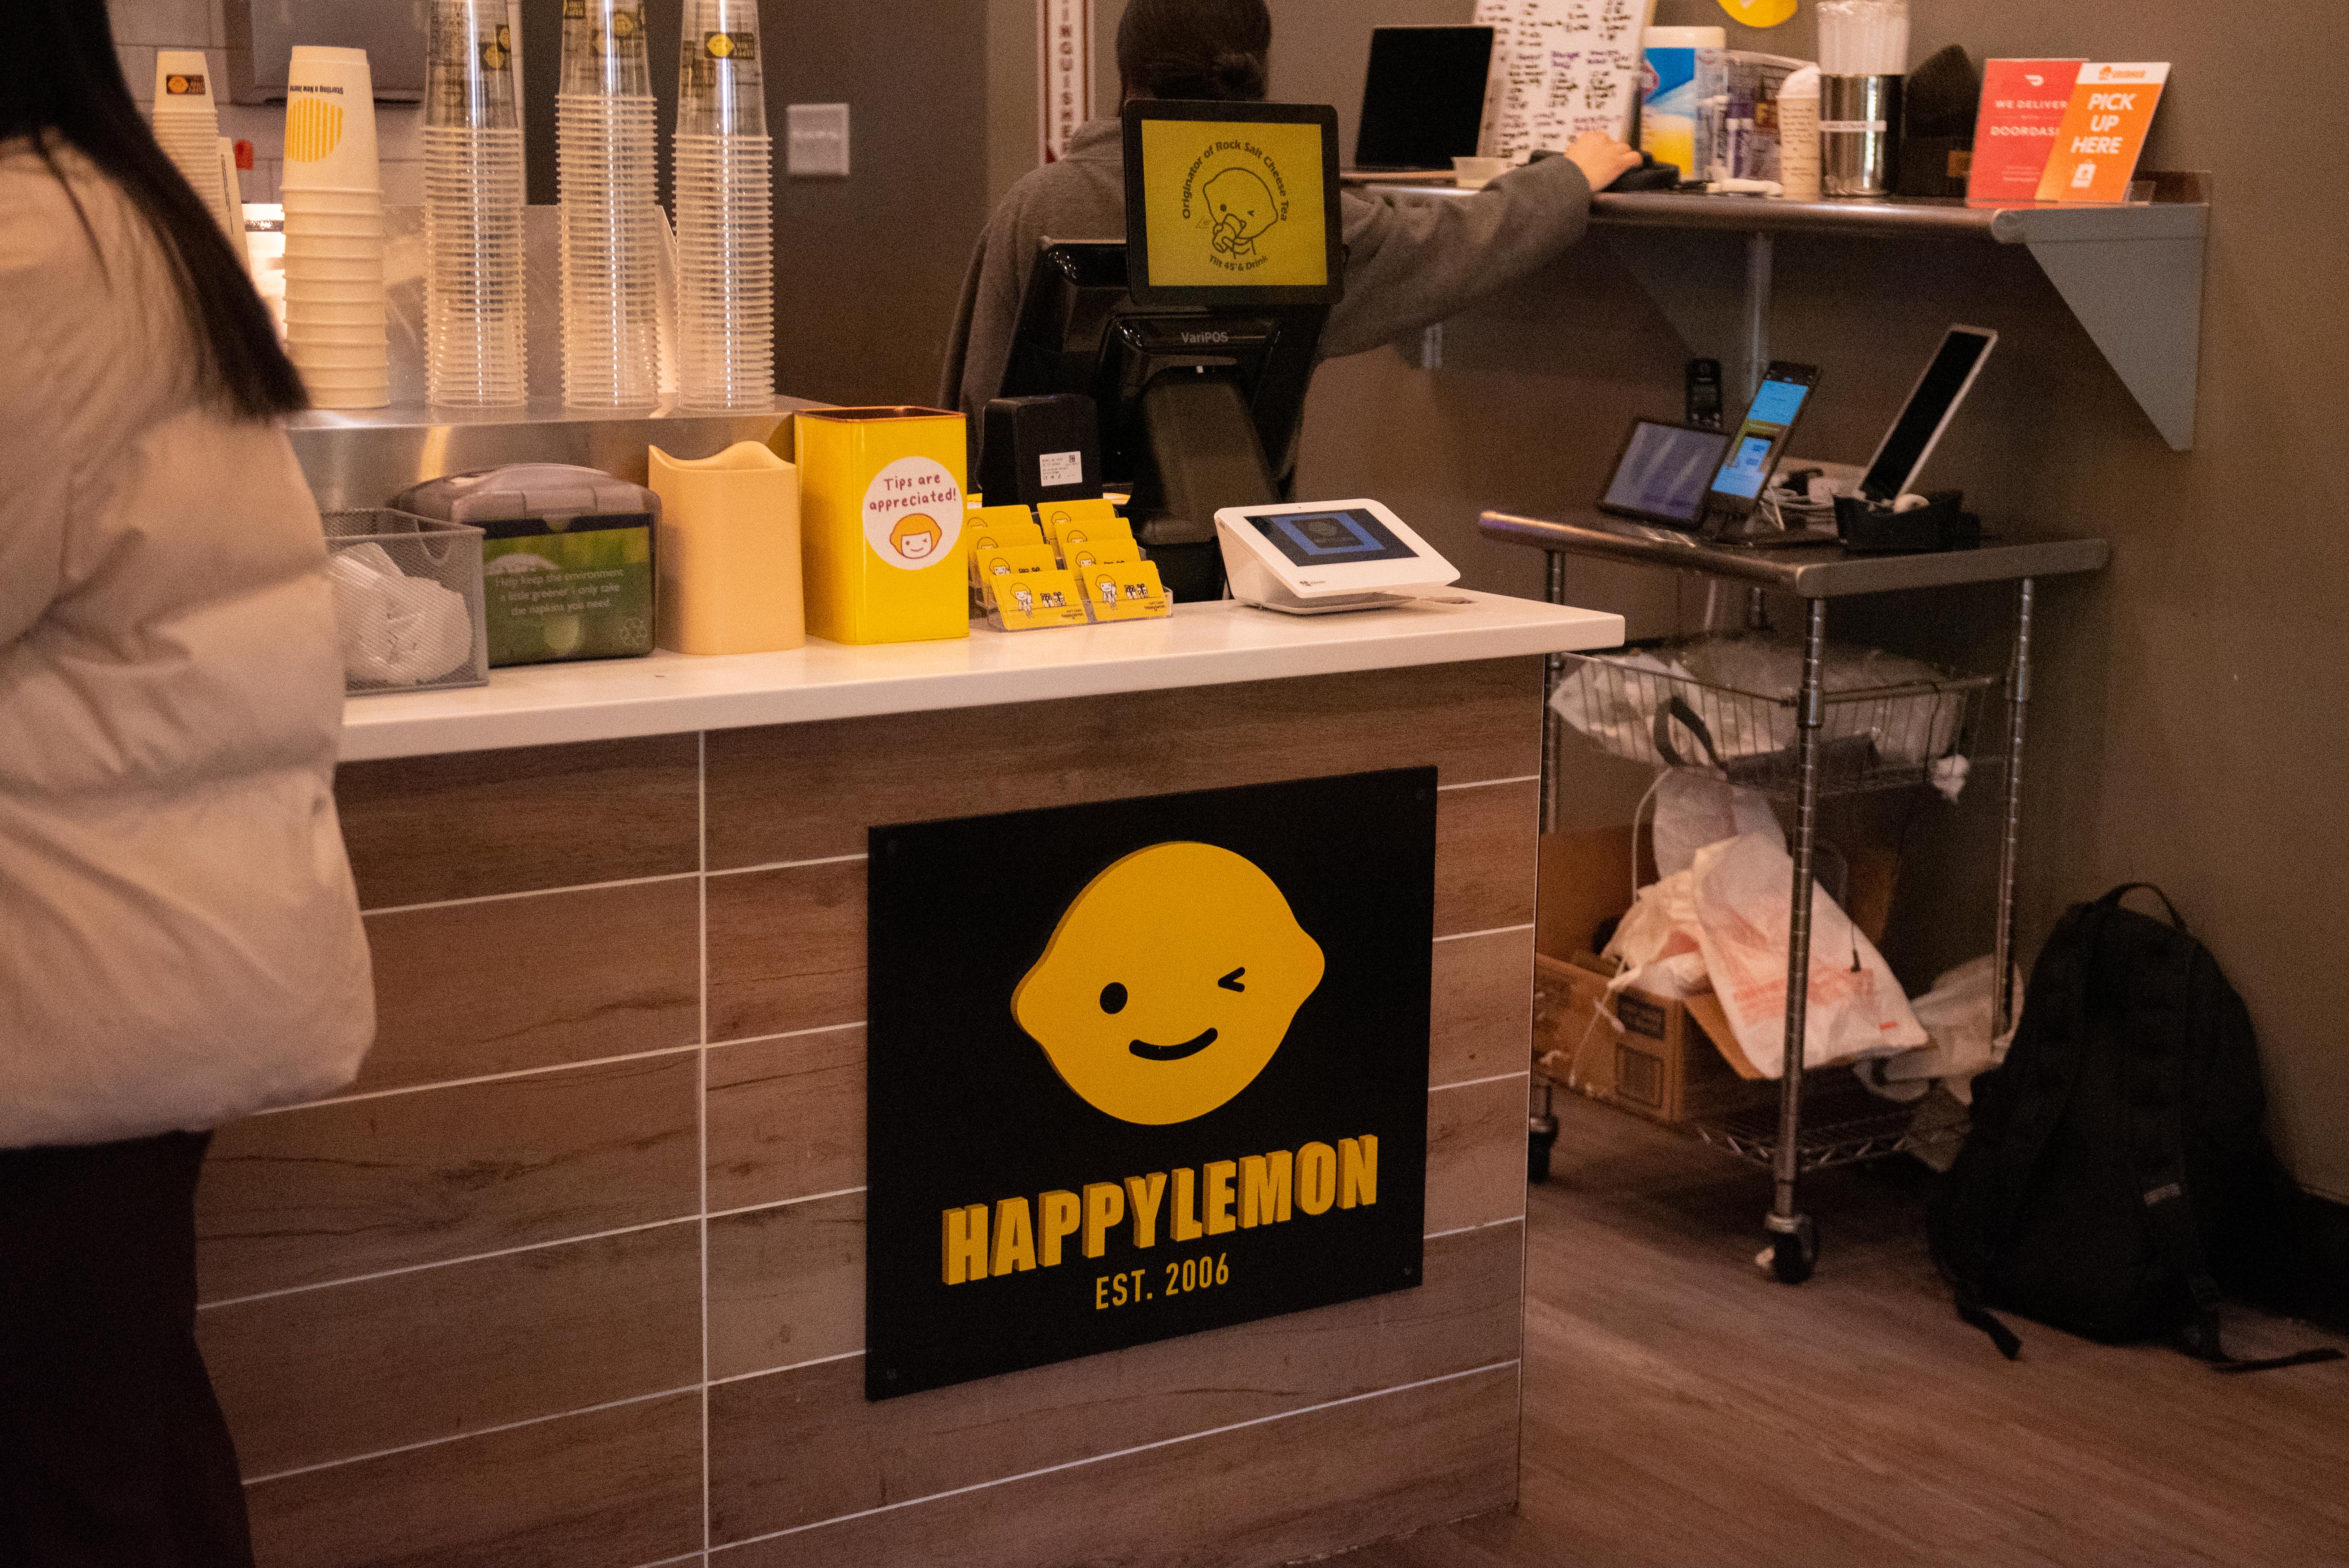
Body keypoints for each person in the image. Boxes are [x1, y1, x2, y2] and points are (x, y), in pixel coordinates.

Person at [0, 4, 376, 1564]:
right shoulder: (98, 210)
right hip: (113, 968)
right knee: (120, 1440)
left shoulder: (29, 250)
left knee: (76, 1476)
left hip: (65, 980)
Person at [941, 0, 1644, 435]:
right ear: (1257, 69)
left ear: (1125, 70)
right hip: (1236, 543)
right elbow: (1457, 241)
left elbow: (974, 396)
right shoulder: (1303, 214)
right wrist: (1569, 177)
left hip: (1041, 553)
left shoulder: (1035, 204)